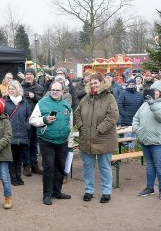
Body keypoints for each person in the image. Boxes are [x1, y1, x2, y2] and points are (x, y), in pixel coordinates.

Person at [74, 73, 119, 203]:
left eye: (96, 82)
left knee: (104, 166)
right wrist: (81, 126)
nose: (93, 85)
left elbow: (113, 117)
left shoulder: (109, 97)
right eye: (91, 83)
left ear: (102, 82)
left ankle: (106, 192)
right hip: (86, 138)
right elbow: (77, 113)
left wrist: (99, 129)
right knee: (88, 166)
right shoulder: (86, 98)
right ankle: (89, 190)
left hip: (103, 138)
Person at [29, 81, 74, 205]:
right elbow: (32, 120)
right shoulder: (42, 103)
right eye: (52, 89)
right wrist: (44, 119)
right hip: (46, 141)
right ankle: (47, 194)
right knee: (49, 167)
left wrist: (69, 141)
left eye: (57, 90)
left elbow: (70, 125)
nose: (54, 92)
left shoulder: (66, 105)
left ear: (62, 92)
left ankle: (57, 191)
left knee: (60, 166)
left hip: (62, 142)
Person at [133, 80, 161, 200]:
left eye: (156, 90)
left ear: (160, 93)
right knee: (149, 165)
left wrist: (152, 104)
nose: (154, 92)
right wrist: (137, 130)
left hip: (158, 142)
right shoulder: (144, 105)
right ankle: (150, 187)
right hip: (145, 140)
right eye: (152, 90)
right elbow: (136, 118)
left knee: (159, 166)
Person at [4, 80, 31, 186]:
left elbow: (29, 115)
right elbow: (2, 118)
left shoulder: (24, 102)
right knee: (11, 158)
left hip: (22, 134)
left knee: (19, 158)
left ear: (18, 89)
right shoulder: (5, 102)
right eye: (9, 89)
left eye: (13, 88)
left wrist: (26, 126)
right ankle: (13, 177)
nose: (11, 91)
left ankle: (19, 176)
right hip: (10, 134)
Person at [21, 68, 44, 176]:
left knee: (34, 143)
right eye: (27, 74)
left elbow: (44, 101)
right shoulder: (20, 87)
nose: (29, 76)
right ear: (24, 76)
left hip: (37, 119)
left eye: (31, 74)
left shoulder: (39, 87)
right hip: (25, 119)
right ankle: (26, 165)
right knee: (26, 143)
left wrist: (34, 96)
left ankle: (34, 165)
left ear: (34, 76)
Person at [117, 78, 143, 152]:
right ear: (127, 85)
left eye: (133, 84)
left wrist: (140, 115)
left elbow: (142, 105)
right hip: (126, 117)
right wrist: (124, 114)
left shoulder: (139, 94)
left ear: (135, 85)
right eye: (130, 84)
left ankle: (131, 148)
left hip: (136, 117)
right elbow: (119, 104)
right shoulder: (123, 93)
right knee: (128, 133)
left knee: (133, 133)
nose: (131, 85)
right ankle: (127, 147)